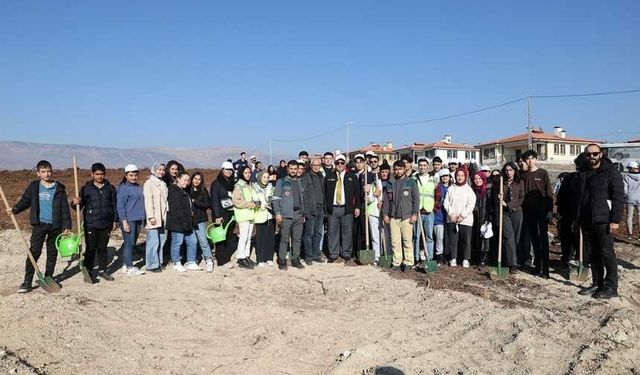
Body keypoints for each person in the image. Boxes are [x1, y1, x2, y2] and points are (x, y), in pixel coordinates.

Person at [10, 160, 72, 293]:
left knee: (52, 253)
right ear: (38, 173)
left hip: (55, 225)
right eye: (43, 172)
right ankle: (27, 281)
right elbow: (25, 201)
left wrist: (67, 225)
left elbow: (65, 209)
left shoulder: (59, 188)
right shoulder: (34, 187)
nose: (47, 174)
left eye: (49, 171)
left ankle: (49, 277)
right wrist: (14, 210)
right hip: (39, 225)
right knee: (34, 252)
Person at [576, 144, 624, 299]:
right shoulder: (583, 172)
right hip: (586, 219)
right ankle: (597, 283)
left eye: (595, 154)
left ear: (601, 154)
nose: (592, 157)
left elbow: (618, 197)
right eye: (588, 154)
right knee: (593, 253)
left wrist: (615, 220)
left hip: (603, 219)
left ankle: (611, 287)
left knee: (607, 253)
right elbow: (580, 197)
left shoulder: (611, 172)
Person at [71, 162, 117, 282]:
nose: (100, 176)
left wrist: (114, 220)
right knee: (91, 248)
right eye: (97, 174)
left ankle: (103, 271)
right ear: (92, 174)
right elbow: (78, 206)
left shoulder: (110, 188)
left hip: (106, 223)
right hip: (91, 223)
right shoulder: (86, 189)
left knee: (102, 248)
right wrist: (75, 202)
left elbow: (114, 206)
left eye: (102, 174)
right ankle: (89, 271)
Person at [521, 150, 553, 278]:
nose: (530, 161)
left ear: (536, 159)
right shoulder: (523, 175)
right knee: (534, 239)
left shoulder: (543, 173)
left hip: (542, 211)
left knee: (543, 240)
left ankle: (545, 270)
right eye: (527, 159)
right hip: (528, 212)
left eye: (532, 158)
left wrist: (550, 211)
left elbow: (549, 193)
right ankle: (537, 266)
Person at [383, 160, 419, 270]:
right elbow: (386, 201)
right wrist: (385, 214)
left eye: (400, 169)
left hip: (406, 216)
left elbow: (416, 199)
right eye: (396, 169)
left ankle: (408, 262)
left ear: (404, 169)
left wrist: (414, 214)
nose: (398, 171)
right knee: (395, 241)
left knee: (407, 240)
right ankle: (397, 262)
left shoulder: (411, 182)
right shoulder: (390, 183)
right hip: (393, 216)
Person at [324, 154, 361, 263]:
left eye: (342, 163)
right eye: (338, 163)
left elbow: (357, 193)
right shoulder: (329, 176)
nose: (340, 164)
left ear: (345, 164)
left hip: (347, 208)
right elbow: (325, 193)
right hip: (333, 209)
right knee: (332, 232)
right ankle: (333, 253)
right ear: (335, 164)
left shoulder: (352, 176)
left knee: (347, 232)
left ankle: (346, 253)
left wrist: (357, 207)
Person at [167, 172, 202, 272]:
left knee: (193, 242)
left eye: (188, 180)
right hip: (177, 222)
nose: (186, 182)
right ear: (178, 179)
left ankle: (191, 262)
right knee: (177, 242)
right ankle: (176, 262)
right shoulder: (174, 191)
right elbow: (176, 209)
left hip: (188, 222)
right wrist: (184, 221)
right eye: (184, 180)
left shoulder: (184, 191)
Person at [274, 160, 306, 270]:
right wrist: (277, 213)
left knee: (297, 238)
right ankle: (282, 259)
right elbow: (276, 199)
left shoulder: (300, 182)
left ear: (298, 169)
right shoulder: (281, 182)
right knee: (284, 239)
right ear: (288, 169)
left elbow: (302, 199)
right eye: (291, 168)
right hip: (286, 215)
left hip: (298, 214)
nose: (293, 171)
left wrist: (303, 214)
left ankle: (295, 259)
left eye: (295, 169)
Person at [493, 162, 524, 272]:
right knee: (508, 237)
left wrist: (509, 204)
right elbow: (496, 198)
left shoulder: (520, 182)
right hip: (504, 214)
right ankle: (512, 264)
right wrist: (499, 197)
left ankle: (513, 258)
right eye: (506, 170)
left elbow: (521, 198)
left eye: (511, 170)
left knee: (516, 237)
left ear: (515, 170)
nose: (509, 172)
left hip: (517, 212)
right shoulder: (501, 183)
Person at [116, 164, 146, 276]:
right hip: (129, 220)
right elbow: (120, 206)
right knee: (129, 243)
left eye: (135, 175)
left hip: (138, 219)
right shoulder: (123, 188)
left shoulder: (138, 187)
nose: (133, 177)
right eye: (131, 175)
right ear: (126, 175)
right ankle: (130, 267)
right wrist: (124, 222)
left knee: (132, 243)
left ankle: (125, 264)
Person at [443, 169, 476, 267]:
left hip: (465, 220)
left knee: (466, 240)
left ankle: (465, 259)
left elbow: (471, 204)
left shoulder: (468, 190)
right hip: (452, 218)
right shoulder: (451, 188)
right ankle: (453, 258)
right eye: (458, 175)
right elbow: (446, 202)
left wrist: (463, 215)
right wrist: (451, 213)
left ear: (465, 177)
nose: (460, 177)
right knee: (453, 240)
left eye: (462, 175)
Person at [210, 161, 238, 266]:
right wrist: (217, 216)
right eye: (227, 170)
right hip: (221, 214)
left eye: (231, 170)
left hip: (231, 213)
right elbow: (214, 201)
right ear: (222, 170)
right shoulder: (216, 184)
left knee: (229, 236)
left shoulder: (232, 184)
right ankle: (222, 261)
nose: (229, 172)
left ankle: (226, 257)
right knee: (221, 237)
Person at [143, 162, 168, 273]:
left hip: (163, 216)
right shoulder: (149, 183)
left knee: (161, 240)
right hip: (154, 217)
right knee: (153, 242)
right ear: (154, 170)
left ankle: (159, 262)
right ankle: (151, 264)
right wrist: (151, 216)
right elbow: (148, 201)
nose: (161, 172)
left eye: (163, 170)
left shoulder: (163, 183)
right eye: (159, 169)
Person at [302, 157, 325, 265]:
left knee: (318, 233)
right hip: (310, 210)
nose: (316, 167)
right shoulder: (306, 177)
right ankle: (308, 256)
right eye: (314, 165)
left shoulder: (321, 176)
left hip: (320, 210)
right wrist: (306, 211)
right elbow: (304, 195)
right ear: (311, 166)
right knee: (309, 234)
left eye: (318, 165)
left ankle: (316, 255)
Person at [413, 156, 437, 264]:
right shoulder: (414, 178)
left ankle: (429, 257)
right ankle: (416, 258)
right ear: (418, 167)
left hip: (429, 211)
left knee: (429, 236)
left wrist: (434, 208)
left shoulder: (434, 179)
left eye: (424, 165)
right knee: (416, 236)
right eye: (420, 165)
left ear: (428, 166)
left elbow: (437, 195)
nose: (422, 167)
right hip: (417, 211)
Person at [233, 166, 257, 269]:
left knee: (248, 237)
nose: (248, 174)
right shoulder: (238, 186)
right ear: (241, 173)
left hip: (251, 214)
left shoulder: (250, 185)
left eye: (249, 172)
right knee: (243, 237)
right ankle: (241, 257)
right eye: (245, 173)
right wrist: (250, 204)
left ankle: (246, 256)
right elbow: (237, 201)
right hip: (243, 215)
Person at [190, 172, 214, 272]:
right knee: (192, 242)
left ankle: (209, 259)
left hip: (200, 219)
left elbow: (208, 204)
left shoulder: (203, 191)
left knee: (203, 241)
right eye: (195, 178)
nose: (196, 181)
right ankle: (192, 260)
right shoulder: (187, 189)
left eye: (199, 179)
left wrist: (195, 202)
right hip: (189, 219)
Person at [253, 171, 276, 266]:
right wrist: (263, 205)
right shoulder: (254, 188)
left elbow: (274, 198)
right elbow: (255, 201)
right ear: (259, 178)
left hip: (270, 216)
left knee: (270, 238)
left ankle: (269, 257)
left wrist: (272, 203)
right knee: (260, 238)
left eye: (267, 177)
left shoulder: (271, 187)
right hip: (260, 216)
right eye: (264, 177)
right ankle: (260, 258)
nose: (266, 179)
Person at [471, 171, 490, 266]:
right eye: (475, 179)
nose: (478, 181)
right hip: (474, 217)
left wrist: (488, 218)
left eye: (479, 178)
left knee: (485, 238)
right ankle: (476, 256)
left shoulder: (487, 191)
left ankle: (484, 257)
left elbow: (490, 206)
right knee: (475, 237)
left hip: (484, 217)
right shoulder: (472, 191)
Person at [433, 168, 451, 265]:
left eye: (446, 176)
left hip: (449, 217)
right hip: (438, 216)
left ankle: (447, 255)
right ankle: (439, 255)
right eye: (443, 176)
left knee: (447, 238)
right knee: (439, 238)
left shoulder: (452, 187)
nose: (445, 178)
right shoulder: (437, 188)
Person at [623, 161, 640, 240]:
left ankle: (630, 234)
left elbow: (625, 190)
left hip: (630, 198)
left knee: (629, 216)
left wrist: (625, 197)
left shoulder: (626, 177)